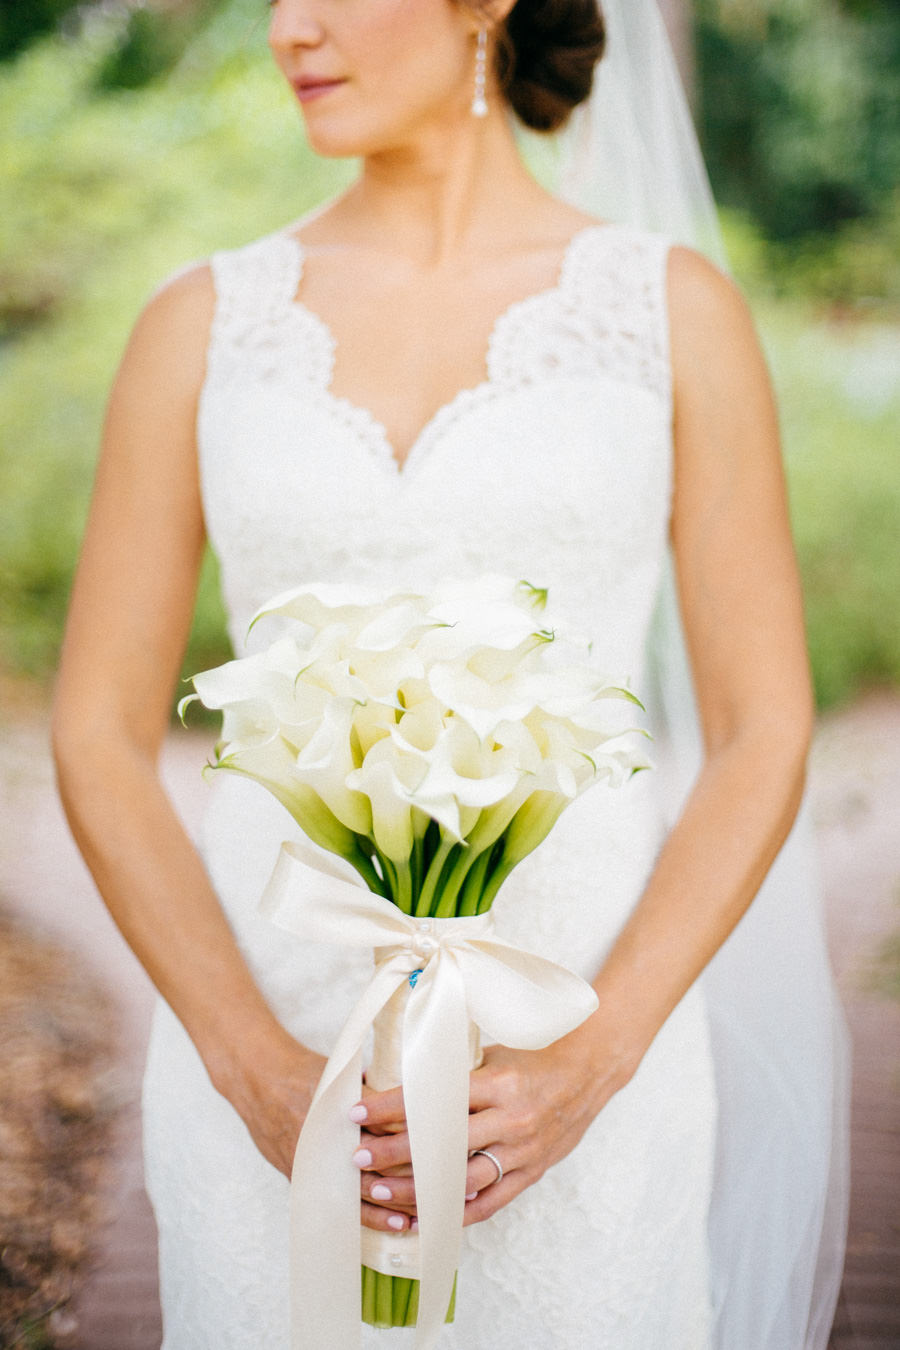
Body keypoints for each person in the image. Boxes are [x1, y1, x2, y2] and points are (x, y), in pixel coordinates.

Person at [51, 1, 848, 1346]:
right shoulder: (200, 324)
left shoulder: (670, 312)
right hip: (274, 1025)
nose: (289, 29)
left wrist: (596, 1057)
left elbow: (764, 725)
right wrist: (247, 1066)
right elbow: (96, 731)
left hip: (583, 1017)